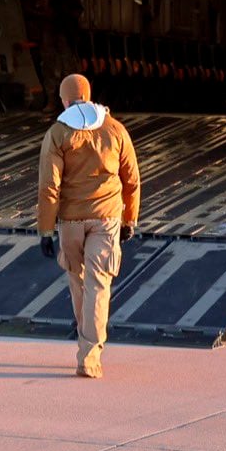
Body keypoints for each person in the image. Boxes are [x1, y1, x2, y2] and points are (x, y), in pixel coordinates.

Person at [36, 74, 141, 378]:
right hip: (107, 218)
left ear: (64, 100)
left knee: (78, 283)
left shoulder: (57, 133)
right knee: (99, 286)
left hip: (70, 220)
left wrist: (45, 229)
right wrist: (130, 217)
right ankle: (89, 356)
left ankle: (86, 346)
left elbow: (48, 187)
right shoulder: (115, 129)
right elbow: (131, 179)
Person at [24, 0, 84, 110]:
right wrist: (43, 15)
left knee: (67, 68)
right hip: (47, 32)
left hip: (62, 33)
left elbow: (76, 6)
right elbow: (27, 8)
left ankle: (67, 100)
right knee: (49, 68)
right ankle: (51, 100)